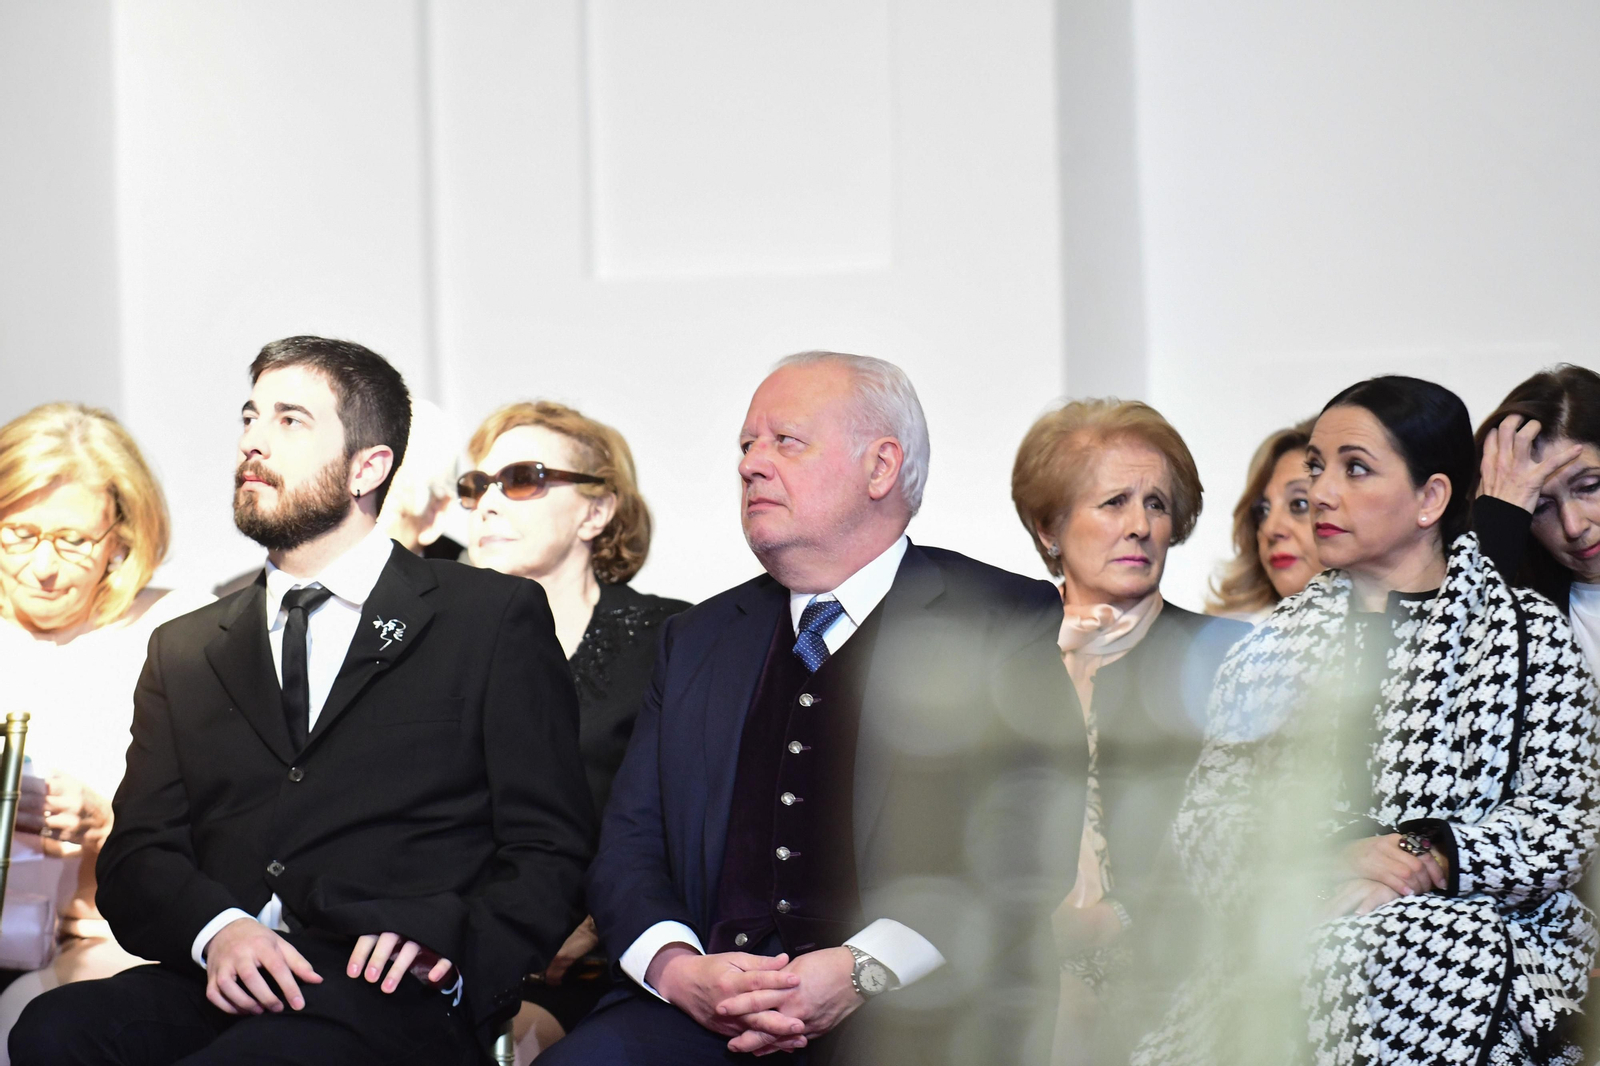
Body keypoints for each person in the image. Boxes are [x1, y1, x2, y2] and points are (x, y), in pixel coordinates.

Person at [11, 336, 595, 1066]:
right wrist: (218, 929)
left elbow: (550, 845)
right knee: (51, 1030)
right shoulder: (187, 647)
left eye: (290, 421)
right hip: (229, 975)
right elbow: (138, 855)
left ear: (368, 466)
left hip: (388, 991)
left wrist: (458, 952)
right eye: (250, 417)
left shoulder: (488, 617)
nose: (254, 441)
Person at [539, 351, 1077, 1066]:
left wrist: (861, 968)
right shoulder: (696, 640)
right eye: (746, 445)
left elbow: (1029, 840)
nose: (751, 465)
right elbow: (629, 847)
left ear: (881, 468)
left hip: (916, 1010)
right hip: (705, 1015)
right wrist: (677, 968)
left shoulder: (1002, 619)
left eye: (785, 442)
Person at [1134, 376, 1599, 1066]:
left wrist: (1430, 856)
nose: (1321, 493)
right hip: (1299, 937)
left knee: (1426, 956)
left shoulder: (1529, 633)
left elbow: (1566, 821)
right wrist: (1334, 856)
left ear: (1432, 498)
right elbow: (1208, 825)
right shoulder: (1267, 652)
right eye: (1318, 468)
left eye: (1355, 469)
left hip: (1487, 947)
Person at [1011, 399, 1247, 1065]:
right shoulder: (1001, 657)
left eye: (1157, 505)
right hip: (1017, 985)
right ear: (1049, 525)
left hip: (1183, 983)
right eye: (1113, 502)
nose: (1140, 526)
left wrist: (1124, 921)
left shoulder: (1228, 658)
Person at [461, 400, 689, 1056]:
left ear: (597, 511)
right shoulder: (436, 644)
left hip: (616, 958)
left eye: (523, 479)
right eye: (475, 487)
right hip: (456, 954)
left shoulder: (670, 639)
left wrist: (590, 933)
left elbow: (690, 823)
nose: (489, 504)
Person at [0, 404, 211, 1060]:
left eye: (73, 540)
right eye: (18, 534)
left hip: (107, 934)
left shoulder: (178, 633)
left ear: (122, 536)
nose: (43, 566)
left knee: (42, 1025)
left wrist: (107, 825)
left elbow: (232, 825)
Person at [1473, 364, 1600, 670]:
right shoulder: (1524, 620)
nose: (1573, 526)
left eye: (1590, 487)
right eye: (1540, 507)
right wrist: (1495, 522)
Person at [1205, 421, 1319, 620]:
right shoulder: (1225, 640)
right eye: (1263, 511)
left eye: (1299, 504)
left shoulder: (1386, 633)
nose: (1270, 528)